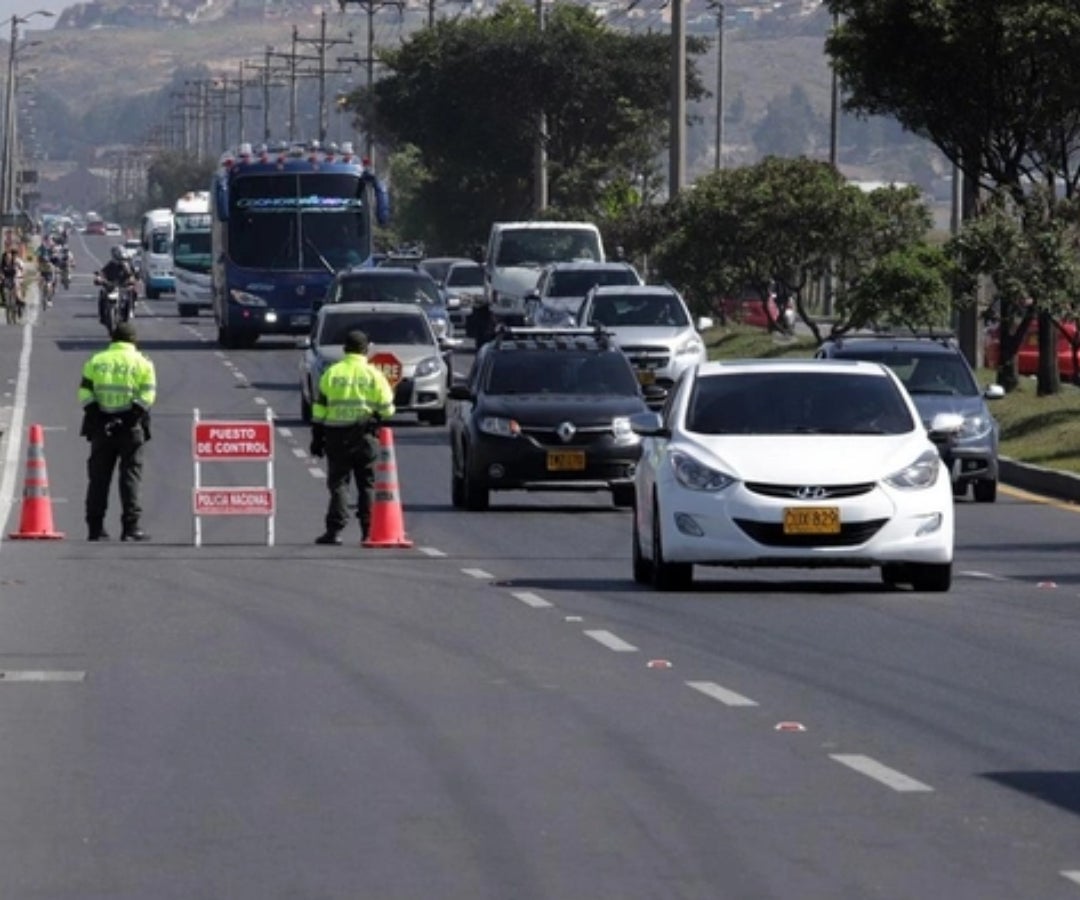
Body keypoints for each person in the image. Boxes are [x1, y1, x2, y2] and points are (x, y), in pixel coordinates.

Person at [309, 329, 396, 545]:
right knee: (366, 484)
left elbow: (319, 408)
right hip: (365, 436)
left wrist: (317, 437)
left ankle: (334, 531)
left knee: (339, 484)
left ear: (345, 349)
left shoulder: (333, 373)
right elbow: (388, 409)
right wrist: (374, 414)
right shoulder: (374, 375)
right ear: (366, 350)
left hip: (336, 436)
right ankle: (368, 531)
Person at [78, 321, 156, 541]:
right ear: (134, 341)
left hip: (101, 428)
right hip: (131, 429)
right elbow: (147, 396)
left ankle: (95, 528)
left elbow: (84, 393)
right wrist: (126, 419)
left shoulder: (96, 360)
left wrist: (101, 418)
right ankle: (131, 527)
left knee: (98, 478)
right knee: (130, 476)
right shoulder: (143, 363)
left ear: (112, 339)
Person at [95, 246, 137, 325]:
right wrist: (99, 279)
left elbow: (132, 275)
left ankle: (130, 309)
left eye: (122, 258)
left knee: (132, 291)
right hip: (110, 287)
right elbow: (102, 273)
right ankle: (102, 316)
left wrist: (131, 279)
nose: (121, 260)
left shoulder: (127, 266)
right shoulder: (110, 265)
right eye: (119, 257)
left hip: (123, 287)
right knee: (102, 294)